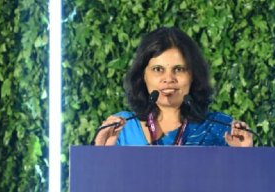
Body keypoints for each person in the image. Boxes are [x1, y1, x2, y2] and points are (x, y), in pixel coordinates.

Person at [94, 26, 254, 147]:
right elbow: (100, 181)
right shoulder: (122, 129)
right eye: (158, 69)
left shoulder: (221, 129)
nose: (168, 79)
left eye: (178, 69)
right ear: (143, 76)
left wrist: (244, 158)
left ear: (193, 75)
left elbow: (242, 181)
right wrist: (101, 154)